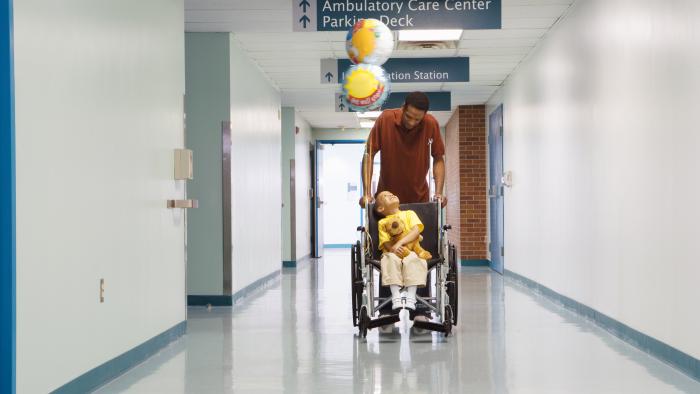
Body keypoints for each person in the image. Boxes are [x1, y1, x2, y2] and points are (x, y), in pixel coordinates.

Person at [359, 91, 447, 209]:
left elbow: (438, 158)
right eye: (408, 117)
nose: (411, 123)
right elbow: (368, 154)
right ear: (403, 107)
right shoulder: (386, 119)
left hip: (419, 201)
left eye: (417, 120)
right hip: (386, 201)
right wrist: (366, 193)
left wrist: (439, 193)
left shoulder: (430, 124)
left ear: (424, 115)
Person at [374, 191, 428, 311]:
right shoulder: (382, 222)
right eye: (386, 196)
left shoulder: (409, 214)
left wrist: (399, 243)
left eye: (392, 194)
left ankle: (411, 297)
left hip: (410, 250)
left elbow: (415, 231)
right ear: (381, 208)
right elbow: (385, 241)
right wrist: (393, 249)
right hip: (392, 252)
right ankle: (396, 296)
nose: (391, 195)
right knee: (389, 259)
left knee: (415, 259)